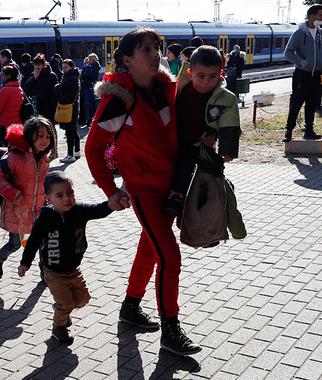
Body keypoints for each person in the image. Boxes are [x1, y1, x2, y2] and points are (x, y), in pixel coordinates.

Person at [85, 28, 201, 356]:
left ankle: (130, 308)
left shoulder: (166, 89)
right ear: (127, 60)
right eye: (146, 49)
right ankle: (171, 330)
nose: (156, 55)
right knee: (169, 255)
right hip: (143, 189)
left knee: (150, 248)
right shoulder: (119, 99)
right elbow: (93, 149)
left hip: (171, 188)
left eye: (158, 48)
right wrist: (110, 191)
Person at [18, 171, 116, 344]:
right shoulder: (46, 218)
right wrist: (25, 263)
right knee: (66, 303)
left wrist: (112, 204)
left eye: (70, 193)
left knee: (83, 299)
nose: (67, 198)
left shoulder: (79, 210)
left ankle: (62, 313)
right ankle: (59, 328)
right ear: (48, 198)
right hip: (53, 272)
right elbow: (33, 241)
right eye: (60, 195)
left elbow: (98, 210)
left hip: (73, 269)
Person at [163, 46, 240, 216]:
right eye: (201, 76)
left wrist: (227, 150)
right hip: (175, 140)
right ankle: (177, 198)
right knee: (181, 165)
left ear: (221, 73)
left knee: (210, 172)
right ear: (190, 74)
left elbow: (230, 123)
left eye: (213, 76)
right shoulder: (179, 90)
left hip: (201, 141)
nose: (206, 82)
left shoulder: (225, 98)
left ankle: (207, 213)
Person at [0, 118, 54, 277]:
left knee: (42, 242)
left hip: (39, 209)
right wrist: (14, 194)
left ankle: (45, 273)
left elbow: (44, 182)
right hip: (17, 211)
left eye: (48, 136)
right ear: (30, 136)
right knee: (15, 244)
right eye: (40, 136)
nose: (45, 141)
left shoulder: (44, 158)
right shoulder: (14, 157)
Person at [283, 4, 322, 142]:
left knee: (312, 104)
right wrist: (301, 62)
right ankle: (288, 131)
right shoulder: (299, 33)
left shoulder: (320, 33)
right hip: (301, 75)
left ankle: (309, 131)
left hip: (316, 75)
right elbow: (288, 53)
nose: (321, 19)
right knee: (296, 103)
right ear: (312, 16)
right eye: (320, 16)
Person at [24, 54, 59, 159]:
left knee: (51, 128)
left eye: (39, 65)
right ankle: (41, 150)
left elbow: (49, 91)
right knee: (40, 129)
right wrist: (34, 78)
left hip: (49, 106)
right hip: (37, 106)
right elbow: (26, 89)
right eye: (35, 65)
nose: (37, 67)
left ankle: (54, 151)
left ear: (44, 64)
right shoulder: (34, 74)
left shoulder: (51, 75)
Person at [55, 59, 81, 163]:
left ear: (71, 67)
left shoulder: (70, 78)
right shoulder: (73, 77)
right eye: (63, 67)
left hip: (69, 107)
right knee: (73, 130)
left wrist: (57, 86)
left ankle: (70, 155)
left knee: (69, 132)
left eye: (66, 67)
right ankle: (77, 151)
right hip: (72, 106)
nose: (64, 69)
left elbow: (59, 88)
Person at [0, 64, 24, 142]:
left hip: (5, 125)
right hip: (18, 124)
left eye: (4, 75)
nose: (2, 77)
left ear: (9, 76)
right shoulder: (19, 89)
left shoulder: (5, 90)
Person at [80, 53, 101, 128]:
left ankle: (91, 120)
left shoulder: (94, 67)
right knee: (90, 104)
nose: (87, 60)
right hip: (89, 86)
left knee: (90, 104)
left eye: (89, 59)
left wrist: (86, 69)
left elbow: (88, 75)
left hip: (90, 87)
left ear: (92, 59)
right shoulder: (93, 66)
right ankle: (90, 119)